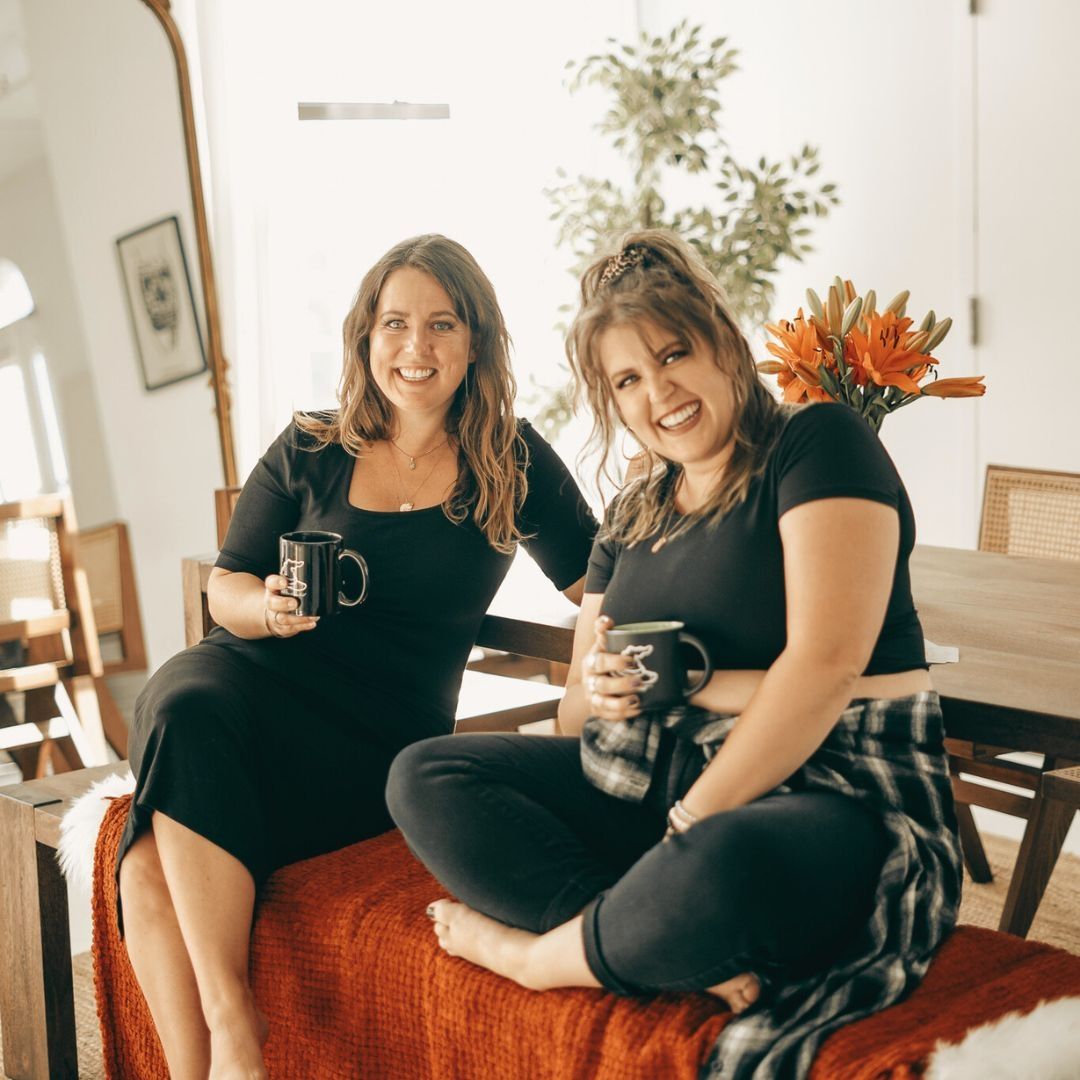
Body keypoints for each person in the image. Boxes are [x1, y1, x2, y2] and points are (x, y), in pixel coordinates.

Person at [386, 231, 962, 1079]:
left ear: (723, 343)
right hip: (650, 779)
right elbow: (577, 713)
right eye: (627, 380)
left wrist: (691, 813)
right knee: (425, 775)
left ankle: (544, 958)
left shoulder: (817, 443)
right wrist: (606, 690)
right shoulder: (633, 512)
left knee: (718, 861)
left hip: (830, 794)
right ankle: (654, 936)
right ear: (612, 401)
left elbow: (829, 666)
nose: (658, 392)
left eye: (672, 355)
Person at [116, 234, 597, 1080]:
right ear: (365, 337)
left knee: (152, 855)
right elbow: (226, 584)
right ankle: (232, 1034)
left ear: (476, 342)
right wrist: (266, 610)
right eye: (395, 324)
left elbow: (604, 579)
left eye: (442, 324)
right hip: (249, 687)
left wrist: (587, 693)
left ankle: (230, 1040)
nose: (416, 346)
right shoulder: (310, 444)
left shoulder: (511, 458)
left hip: (378, 744)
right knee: (182, 708)